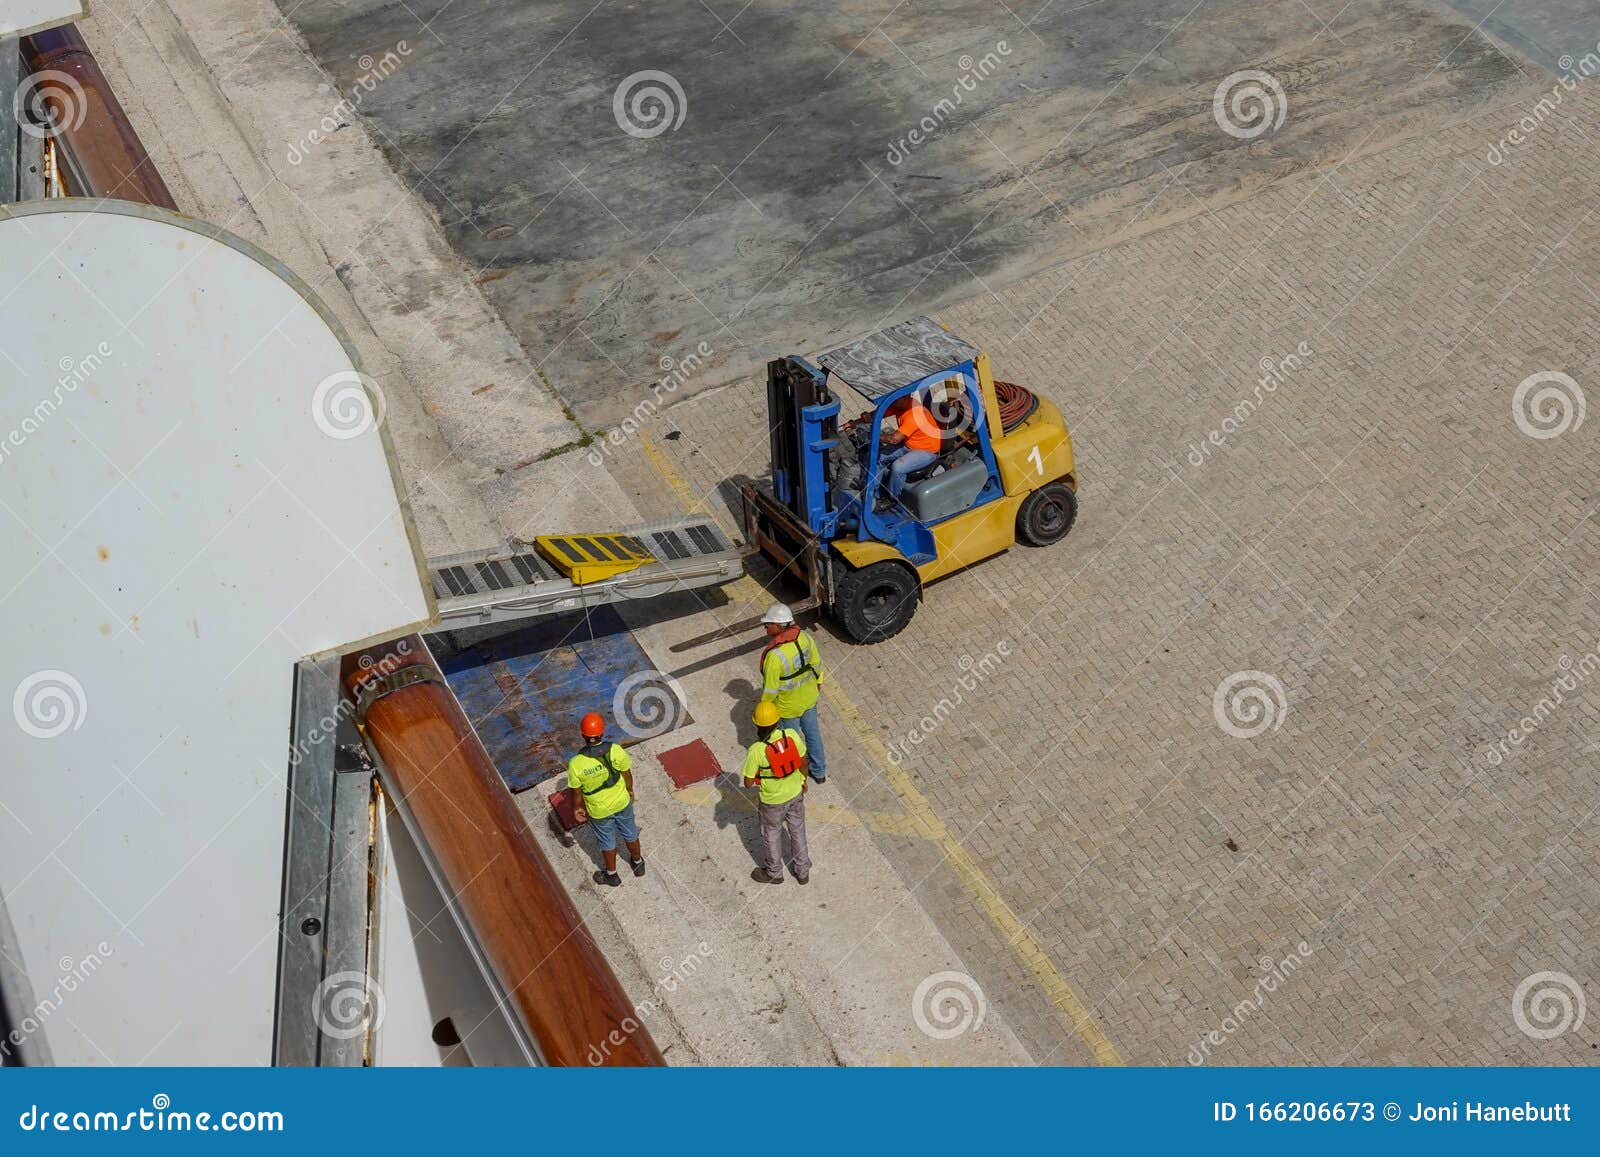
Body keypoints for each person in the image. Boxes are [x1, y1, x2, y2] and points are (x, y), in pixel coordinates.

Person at [567, 711, 644, 887]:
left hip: (599, 810)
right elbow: (627, 773)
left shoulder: (576, 764)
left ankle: (612, 875)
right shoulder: (616, 750)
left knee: (606, 840)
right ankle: (638, 864)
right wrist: (630, 790)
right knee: (630, 832)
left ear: (583, 735)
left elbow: (577, 792)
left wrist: (577, 808)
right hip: (621, 802)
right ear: (602, 733)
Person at [743, 701, 811, 885]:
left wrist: (761, 776)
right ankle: (802, 871)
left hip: (772, 802)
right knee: (797, 829)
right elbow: (803, 762)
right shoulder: (790, 735)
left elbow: (748, 783)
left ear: (757, 724)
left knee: (772, 834)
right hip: (795, 793)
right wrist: (803, 781)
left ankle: (774, 872)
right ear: (777, 720)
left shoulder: (756, 750)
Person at [758, 603, 826, 784]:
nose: (765, 626)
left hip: (788, 707)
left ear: (780, 626)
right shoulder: (805, 638)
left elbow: (770, 690)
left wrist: (764, 712)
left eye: (768, 623)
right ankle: (819, 772)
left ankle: (797, 776)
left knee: (791, 744)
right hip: (810, 698)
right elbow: (817, 664)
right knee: (813, 735)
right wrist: (818, 684)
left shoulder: (774, 656)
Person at [876, 393, 942, 504]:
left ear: (906, 397)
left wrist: (874, 436)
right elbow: (879, 414)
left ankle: (891, 499)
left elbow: (894, 439)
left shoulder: (915, 414)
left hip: (927, 450)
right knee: (879, 457)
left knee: (898, 467)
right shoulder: (899, 405)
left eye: (895, 400)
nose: (892, 403)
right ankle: (873, 491)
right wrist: (861, 420)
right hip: (909, 443)